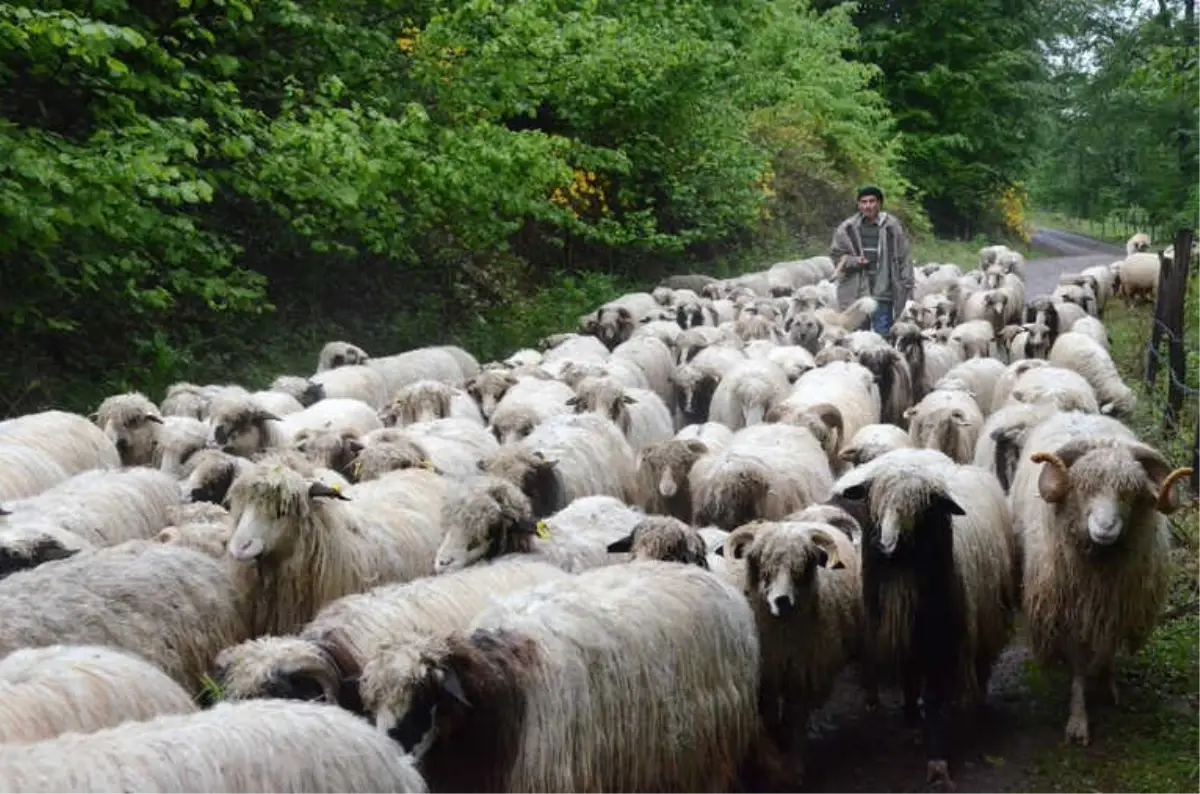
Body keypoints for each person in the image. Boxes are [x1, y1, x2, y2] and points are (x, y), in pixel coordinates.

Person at [829, 186, 913, 337]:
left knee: (882, 335)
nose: (867, 206)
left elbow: (904, 256)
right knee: (855, 336)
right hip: (856, 291)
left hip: (883, 290)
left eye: (872, 201)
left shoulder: (892, 227)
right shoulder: (847, 228)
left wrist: (906, 284)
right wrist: (855, 261)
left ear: (879, 203)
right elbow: (836, 255)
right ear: (858, 204)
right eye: (863, 202)